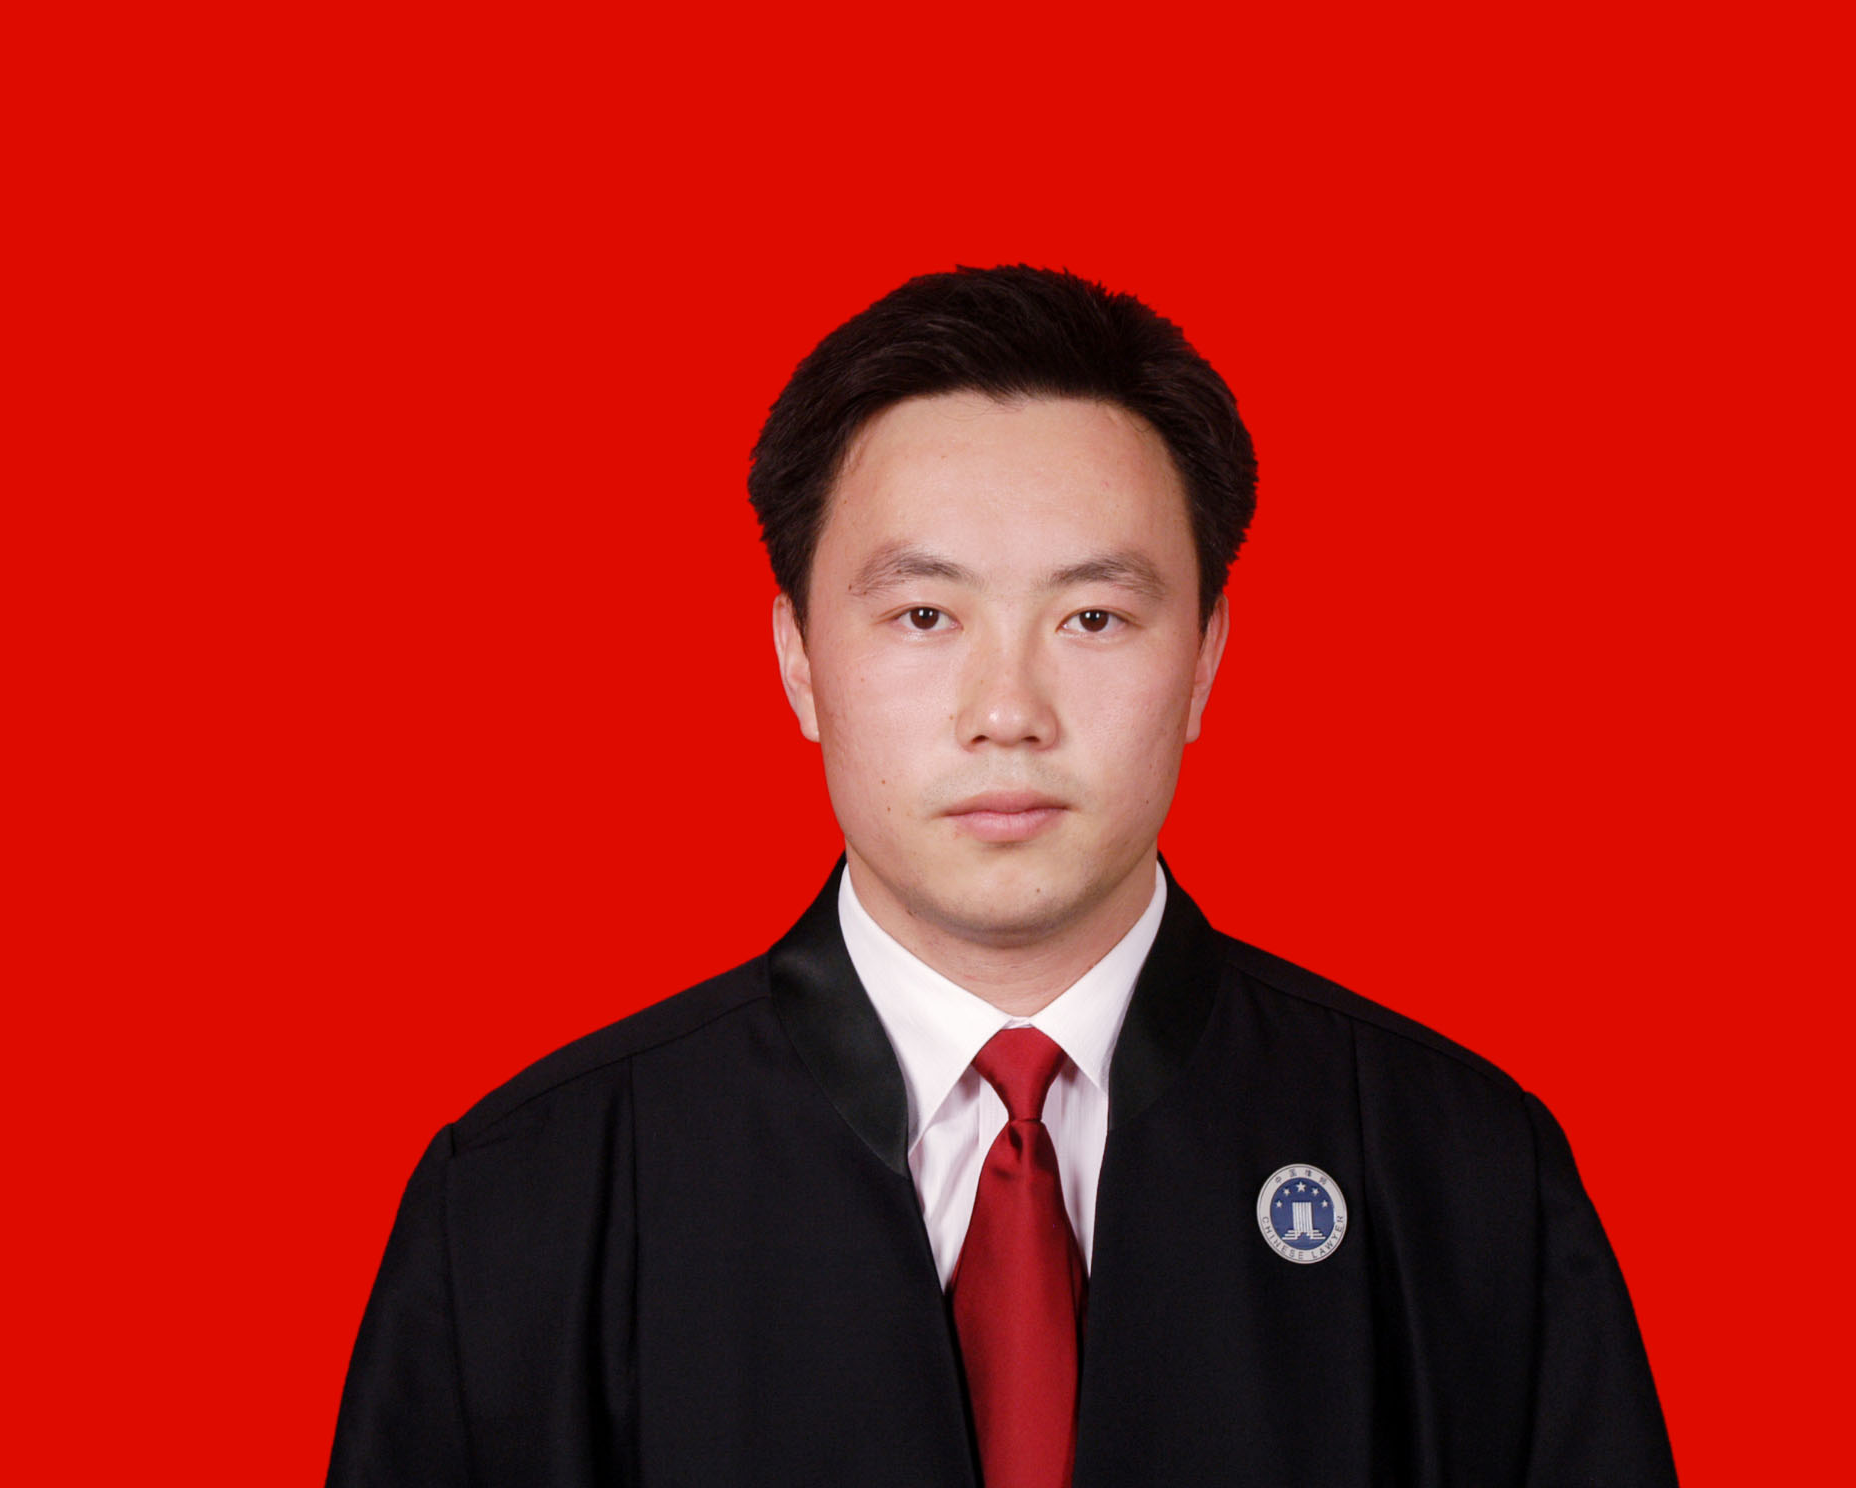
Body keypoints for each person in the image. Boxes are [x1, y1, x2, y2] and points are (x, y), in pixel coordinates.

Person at [326, 265, 1677, 1487]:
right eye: (925, 616)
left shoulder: (1459, 1178)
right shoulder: (524, 1208)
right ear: (799, 659)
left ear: (1205, 657)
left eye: (1094, 617)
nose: (1008, 712)